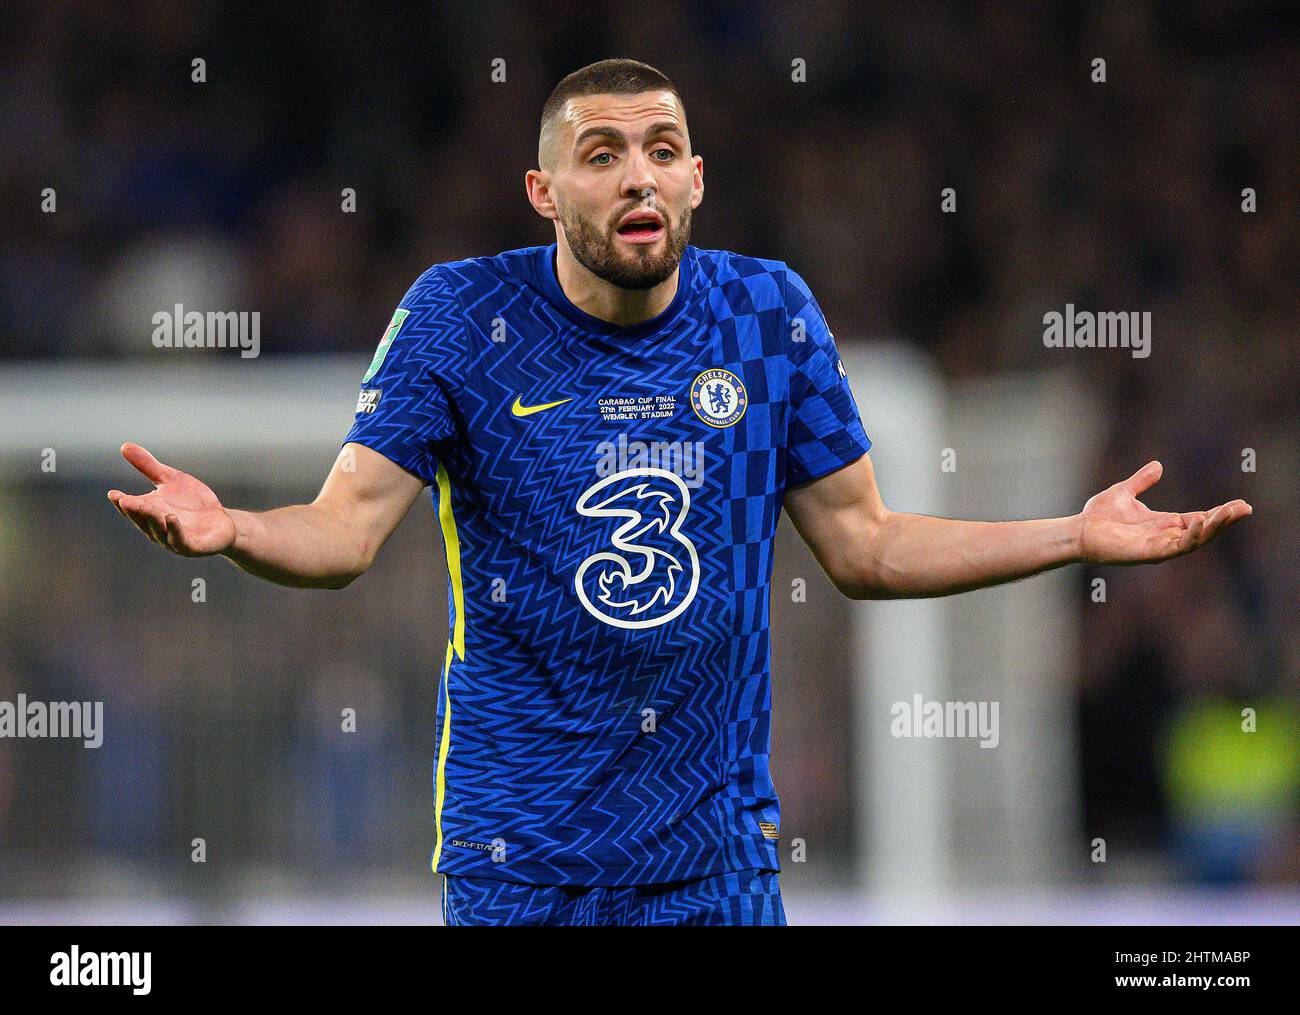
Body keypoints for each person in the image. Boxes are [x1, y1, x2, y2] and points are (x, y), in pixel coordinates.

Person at [107, 59, 1251, 926]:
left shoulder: (765, 315)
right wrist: (234, 530)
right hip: (517, 856)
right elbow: (344, 530)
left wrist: (1073, 534)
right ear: (543, 191)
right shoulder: (461, 318)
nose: (636, 172)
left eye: (661, 147)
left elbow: (867, 544)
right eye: (599, 153)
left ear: (696, 178)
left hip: (715, 857)